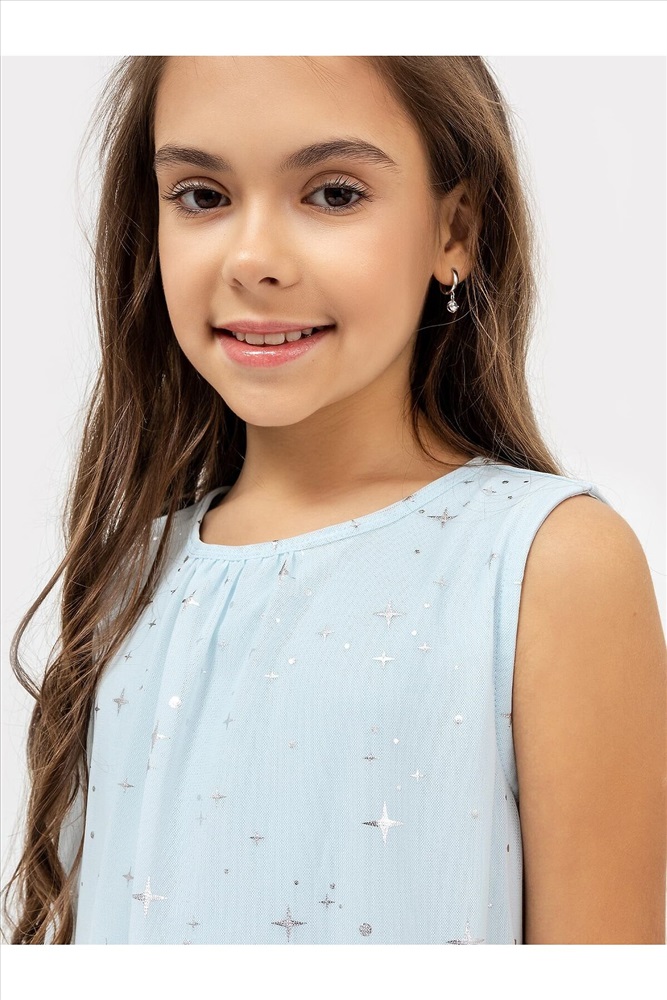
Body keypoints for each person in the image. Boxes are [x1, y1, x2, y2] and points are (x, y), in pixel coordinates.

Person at [2, 55, 665, 946]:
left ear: (455, 229)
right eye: (201, 195)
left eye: (334, 194)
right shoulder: (131, 574)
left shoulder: (548, 566)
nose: (253, 260)